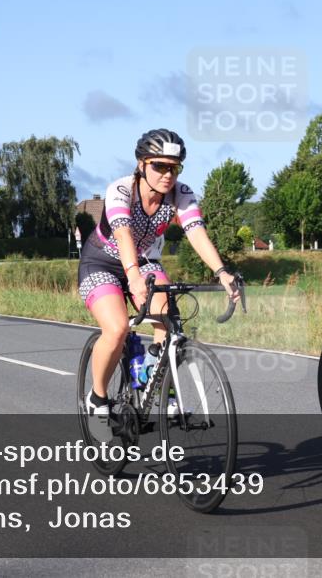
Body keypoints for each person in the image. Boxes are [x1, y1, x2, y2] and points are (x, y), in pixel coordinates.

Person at [79, 129, 240, 440]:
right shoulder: (121, 190)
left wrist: (221, 271)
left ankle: (152, 377)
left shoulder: (181, 193)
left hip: (145, 262)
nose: (168, 174)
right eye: (160, 166)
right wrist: (133, 275)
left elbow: (195, 232)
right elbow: (123, 233)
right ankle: (97, 399)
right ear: (142, 164)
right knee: (116, 329)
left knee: (167, 318)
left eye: (174, 167)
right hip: (103, 262)